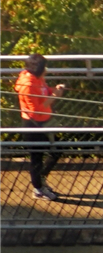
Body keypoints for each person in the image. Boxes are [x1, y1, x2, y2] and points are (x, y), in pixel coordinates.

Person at [15, 52, 65, 201]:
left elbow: (43, 91)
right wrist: (55, 97)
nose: (46, 70)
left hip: (45, 122)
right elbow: (36, 110)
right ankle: (38, 189)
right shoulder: (28, 85)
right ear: (38, 69)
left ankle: (40, 180)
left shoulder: (37, 79)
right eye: (44, 67)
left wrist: (54, 90)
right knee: (36, 157)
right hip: (33, 125)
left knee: (57, 150)